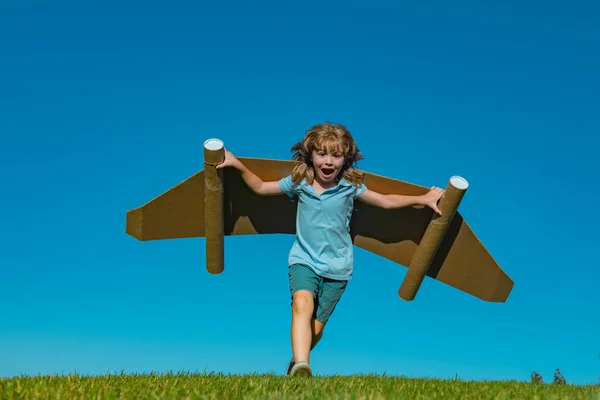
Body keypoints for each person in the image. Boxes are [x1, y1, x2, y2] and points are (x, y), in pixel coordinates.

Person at [216, 122, 444, 377]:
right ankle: (304, 366)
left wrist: (422, 199)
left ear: (345, 159)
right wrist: (236, 164)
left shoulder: (350, 186)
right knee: (302, 303)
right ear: (310, 155)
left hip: (338, 268)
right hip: (304, 259)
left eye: (336, 155)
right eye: (321, 154)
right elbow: (259, 187)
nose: (328, 161)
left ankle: (296, 362)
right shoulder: (299, 182)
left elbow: (386, 202)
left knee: (316, 329)